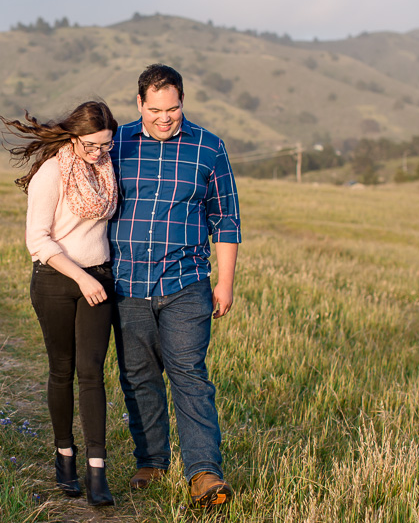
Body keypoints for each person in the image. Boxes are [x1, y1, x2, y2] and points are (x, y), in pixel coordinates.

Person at [108, 64, 241, 507]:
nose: (165, 117)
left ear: (183, 101)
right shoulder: (117, 142)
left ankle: (204, 473)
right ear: (140, 105)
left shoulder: (209, 147)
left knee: (190, 376)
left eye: (174, 108)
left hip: (186, 283)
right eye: (155, 109)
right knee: (139, 376)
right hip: (127, 283)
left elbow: (225, 218)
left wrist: (225, 283)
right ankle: (151, 461)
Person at [0, 101, 119, 507]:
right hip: (56, 280)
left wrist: (93, 276)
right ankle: (64, 456)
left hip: (98, 278)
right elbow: (38, 239)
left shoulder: (105, 168)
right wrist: (81, 277)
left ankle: (97, 470)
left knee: (92, 373)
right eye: (91, 145)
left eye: (106, 145)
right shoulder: (51, 172)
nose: (99, 153)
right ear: (74, 136)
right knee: (62, 370)